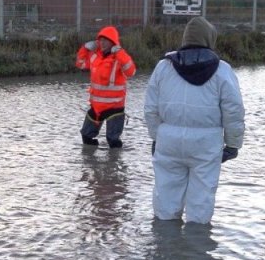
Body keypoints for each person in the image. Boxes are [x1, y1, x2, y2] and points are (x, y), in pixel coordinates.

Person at [143, 16, 245, 224]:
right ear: (210, 39)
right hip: (206, 145)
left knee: (165, 198)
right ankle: (196, 251)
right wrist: (233, 144)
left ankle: (164, 249)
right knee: (201, 201)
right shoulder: (222, 71)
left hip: (168, 141)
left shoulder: (163, 67)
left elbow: (150, 109)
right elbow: (233, 111)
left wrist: (157, 137)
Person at [76, 25, 136, 148]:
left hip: (114, 107)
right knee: (86, 135)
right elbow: (80, 64)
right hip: (96, 107)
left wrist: (119, 52)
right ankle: (92, 165)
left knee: (113, 141)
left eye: (105, 40)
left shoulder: (119, 57)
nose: (102, 43)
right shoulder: (94, 56)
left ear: (112, 42)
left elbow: (131, 71)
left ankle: (114, 164)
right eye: (100, 40)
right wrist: (84, 48)